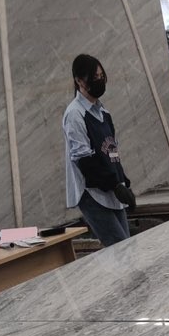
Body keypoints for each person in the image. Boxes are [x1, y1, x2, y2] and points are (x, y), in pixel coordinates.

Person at [62, 54, 136, 248]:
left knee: (126, 247)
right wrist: (115, 185)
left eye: (102, 76)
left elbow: (111, 153)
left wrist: (124, 182)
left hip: (111, 189)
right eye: (94, 77)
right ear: (79, 81)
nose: (100, 81)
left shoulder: (104, 113)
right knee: (120, 249)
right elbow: (85, 162)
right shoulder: (75, 114)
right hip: (91, 193)